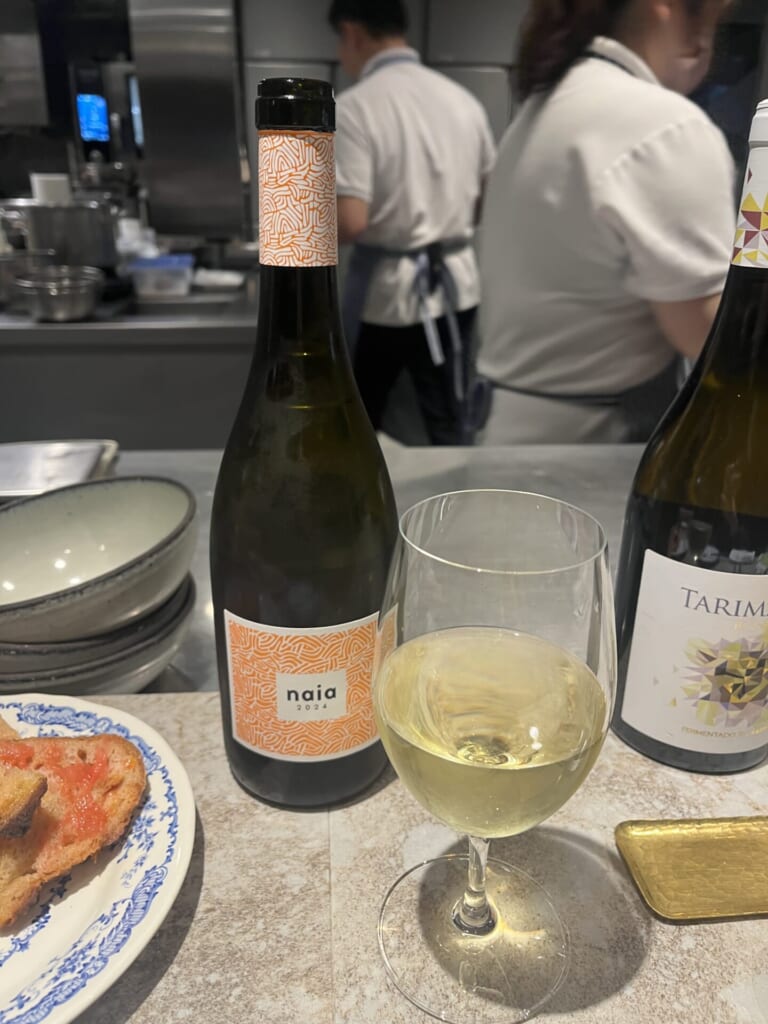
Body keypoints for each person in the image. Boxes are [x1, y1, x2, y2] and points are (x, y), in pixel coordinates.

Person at [477, 0, 736, 444]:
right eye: (713, 20)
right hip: (591, 447)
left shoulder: (550, 103)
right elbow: (712, 337)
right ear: (666, 8)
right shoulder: (665, 126)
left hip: (511, 429)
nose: (708, 44)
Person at [328, 0, 496, 444]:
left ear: (352, 33)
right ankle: (455, 489)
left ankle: (361, 488)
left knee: (358, 419)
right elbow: (484, 202)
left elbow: (351, 221)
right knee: (449, 421)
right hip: (455, 286)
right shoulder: (465, 102)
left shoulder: (355, 108)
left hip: (385, 294)